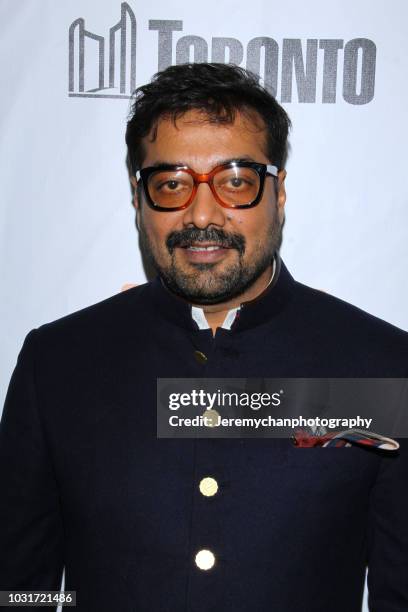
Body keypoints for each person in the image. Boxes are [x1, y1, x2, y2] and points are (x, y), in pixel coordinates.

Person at [0, 63, 407, 612]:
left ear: (278, 192)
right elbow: (22, 588)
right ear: (137, 197)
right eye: (171, 183)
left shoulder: (380, 368)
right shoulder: (58, 363)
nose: (202, 213)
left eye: (235, 180)